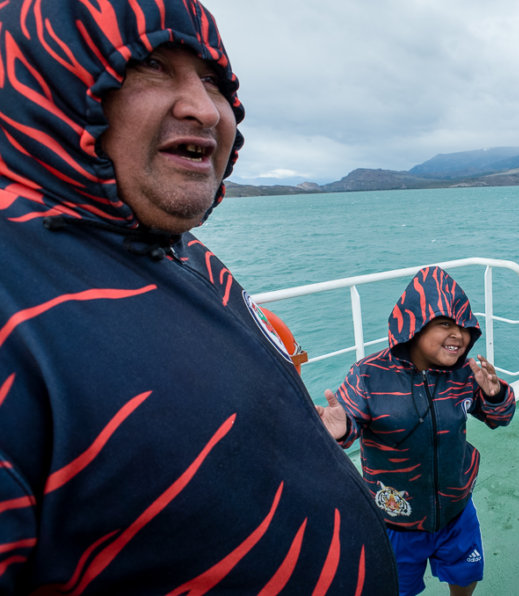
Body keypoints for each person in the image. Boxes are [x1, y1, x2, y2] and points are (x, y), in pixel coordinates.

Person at [0, 1, 397, 593]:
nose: (204, 108)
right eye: (150, 64)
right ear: (45, 80)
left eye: (213, 80)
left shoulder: (182, 254)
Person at [317, 267, 516, 596]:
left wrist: (495, 395)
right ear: (415, 324)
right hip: (397, 520)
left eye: (464, 328)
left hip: (456, 509)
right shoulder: (369, 374)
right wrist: (341, 429)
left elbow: (501, 417)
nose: (458, 335)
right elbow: (348, 426)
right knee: (398, 588)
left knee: (466, 576)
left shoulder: (465, 374)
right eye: (445, 324)